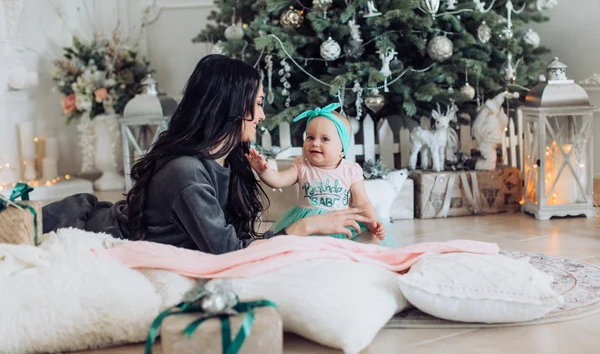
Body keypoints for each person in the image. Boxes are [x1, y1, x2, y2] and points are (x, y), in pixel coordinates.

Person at [42, 55, 376, 254]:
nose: (262, 115)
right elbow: (229, 252)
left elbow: (236, 236)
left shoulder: (226, 159)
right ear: (233, 107)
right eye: (258, 104)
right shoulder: (185, 173)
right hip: (80, 227)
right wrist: (306, 227)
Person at [246, 103, 385, 243]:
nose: (315, 143)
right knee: (289, 243)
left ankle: (345, 253)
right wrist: (264, 171)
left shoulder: (350, 170)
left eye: (324, 139)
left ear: (342, 149)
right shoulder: (302, 166)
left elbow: (362, 202)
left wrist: (372, 223)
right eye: (310, 137)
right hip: (307, 224)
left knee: (372, 238)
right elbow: (279, 180)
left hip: (340, 223)